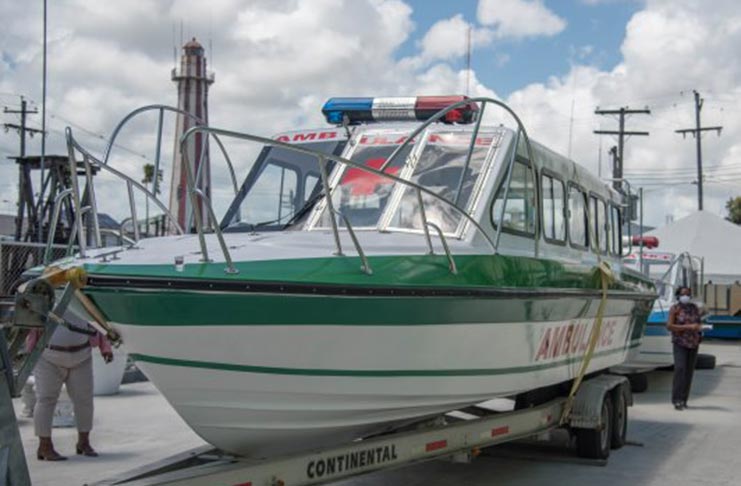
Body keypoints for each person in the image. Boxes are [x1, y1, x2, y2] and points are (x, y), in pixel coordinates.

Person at [26, 313, 113, 461]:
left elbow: (96, 317)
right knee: (45, 399)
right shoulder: (45, 293)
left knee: (84, 400)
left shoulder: (81, 291)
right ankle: (44, 446)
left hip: (82, 355)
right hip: (48, 356)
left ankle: (84, 442)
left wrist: (105, 347)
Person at [666, 286, 702, 410]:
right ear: (678, 296)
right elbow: (669, 326)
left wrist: (699, 327)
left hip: (693, 343)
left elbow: (697, 323)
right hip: (680, 343)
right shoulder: (675, 309)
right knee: (680, 369)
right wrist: (688, 327)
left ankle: (684, 399)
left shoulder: (694, 308)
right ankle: (676, 399)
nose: (685, 296)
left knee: (689, 372)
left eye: (687, 294)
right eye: (683, 294)